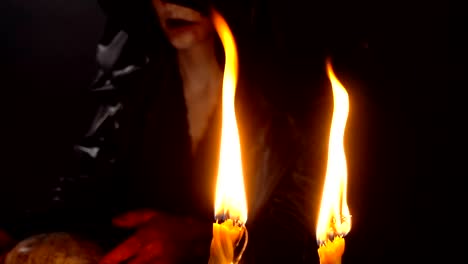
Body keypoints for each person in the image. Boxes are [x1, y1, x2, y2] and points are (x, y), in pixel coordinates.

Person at [1, 0, 319, 263]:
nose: (170, 2)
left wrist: (197, 240)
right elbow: (84, 195)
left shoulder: (294, 106)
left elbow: (307, 236)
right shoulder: (135, 84)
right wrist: (19, 232)